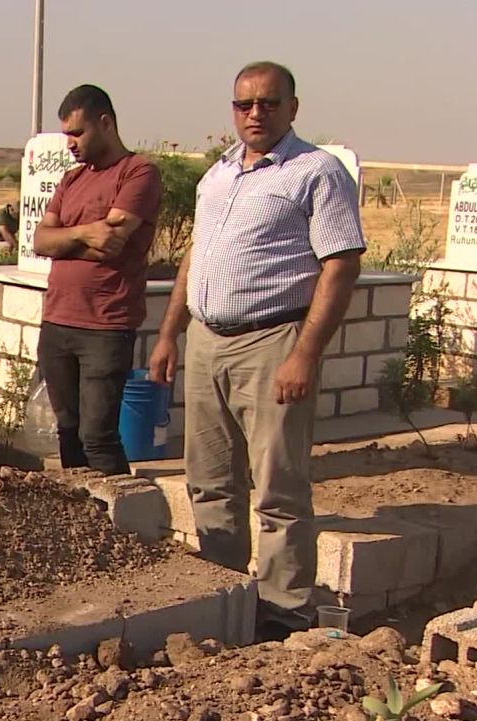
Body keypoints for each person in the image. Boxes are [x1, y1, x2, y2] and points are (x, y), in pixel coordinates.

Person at [147, 62, 365, 635]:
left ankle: (283, 613)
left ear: (293, 108)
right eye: (244, 104)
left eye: (268, 104)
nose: (255, 114)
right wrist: (170, 333)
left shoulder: (315, 172)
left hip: (273, 341)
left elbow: (340, 266)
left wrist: (305, 354)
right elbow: (197, 257)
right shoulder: (217, 176)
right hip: (206, 342)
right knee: (209, 480)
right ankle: (222, 592)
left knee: (277, 487)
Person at [32, 84, 163, 477]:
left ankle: (122, 519)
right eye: (66, 135)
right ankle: (81, 515)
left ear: (104, 123)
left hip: (104, 326)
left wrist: (65, 240)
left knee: (98, 435)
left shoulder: (137, 172)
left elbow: (112, 243)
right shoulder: (72, 180)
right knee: (68, 431)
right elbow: (40, 240)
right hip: (58, 322)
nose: (70, 143)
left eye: (77, 132)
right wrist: (84, 234)